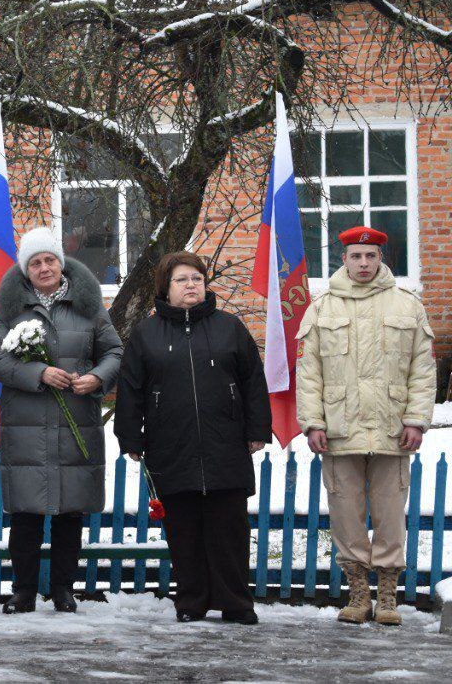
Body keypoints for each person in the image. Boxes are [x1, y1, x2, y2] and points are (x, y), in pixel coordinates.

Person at [114, 251, 271, 624]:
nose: (191, 286)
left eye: (197, 279)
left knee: (229, 529)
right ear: (165, 289)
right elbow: (131, 388)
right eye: (182, 280)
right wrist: (130, 437)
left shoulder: (229, 326)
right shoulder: (146, 333)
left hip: (225, 443)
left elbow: (252, 381)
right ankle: (191, 601)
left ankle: (236, 602)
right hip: (171, 444)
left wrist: (257, 429)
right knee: (183, 529)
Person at [296, 226, 435, 627]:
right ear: (344, 259)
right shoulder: (323, 308)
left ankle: (387, 596)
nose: (363, 264)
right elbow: (309, 373)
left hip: (393, 429)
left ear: (381, 259)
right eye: (356, 256)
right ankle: (358, 594)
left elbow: (422, 371)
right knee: (346, 514)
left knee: (392, 515)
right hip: (340, 429)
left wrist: (416, 420)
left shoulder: (408, 306)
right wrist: (313, 422)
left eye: (370, 257)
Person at [0, 228, 123, 614]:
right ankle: (24, 591)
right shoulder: (11, 307)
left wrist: (96, 378)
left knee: (69, 514)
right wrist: (38, 373)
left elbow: (114, 351)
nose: (44, 268)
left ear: (61, 263)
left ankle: (63, 589)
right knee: (26, 516)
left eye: (49, 260)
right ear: (25, 270)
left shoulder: (89, 305)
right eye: (35, 262)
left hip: (76, 422)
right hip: (26, 426)